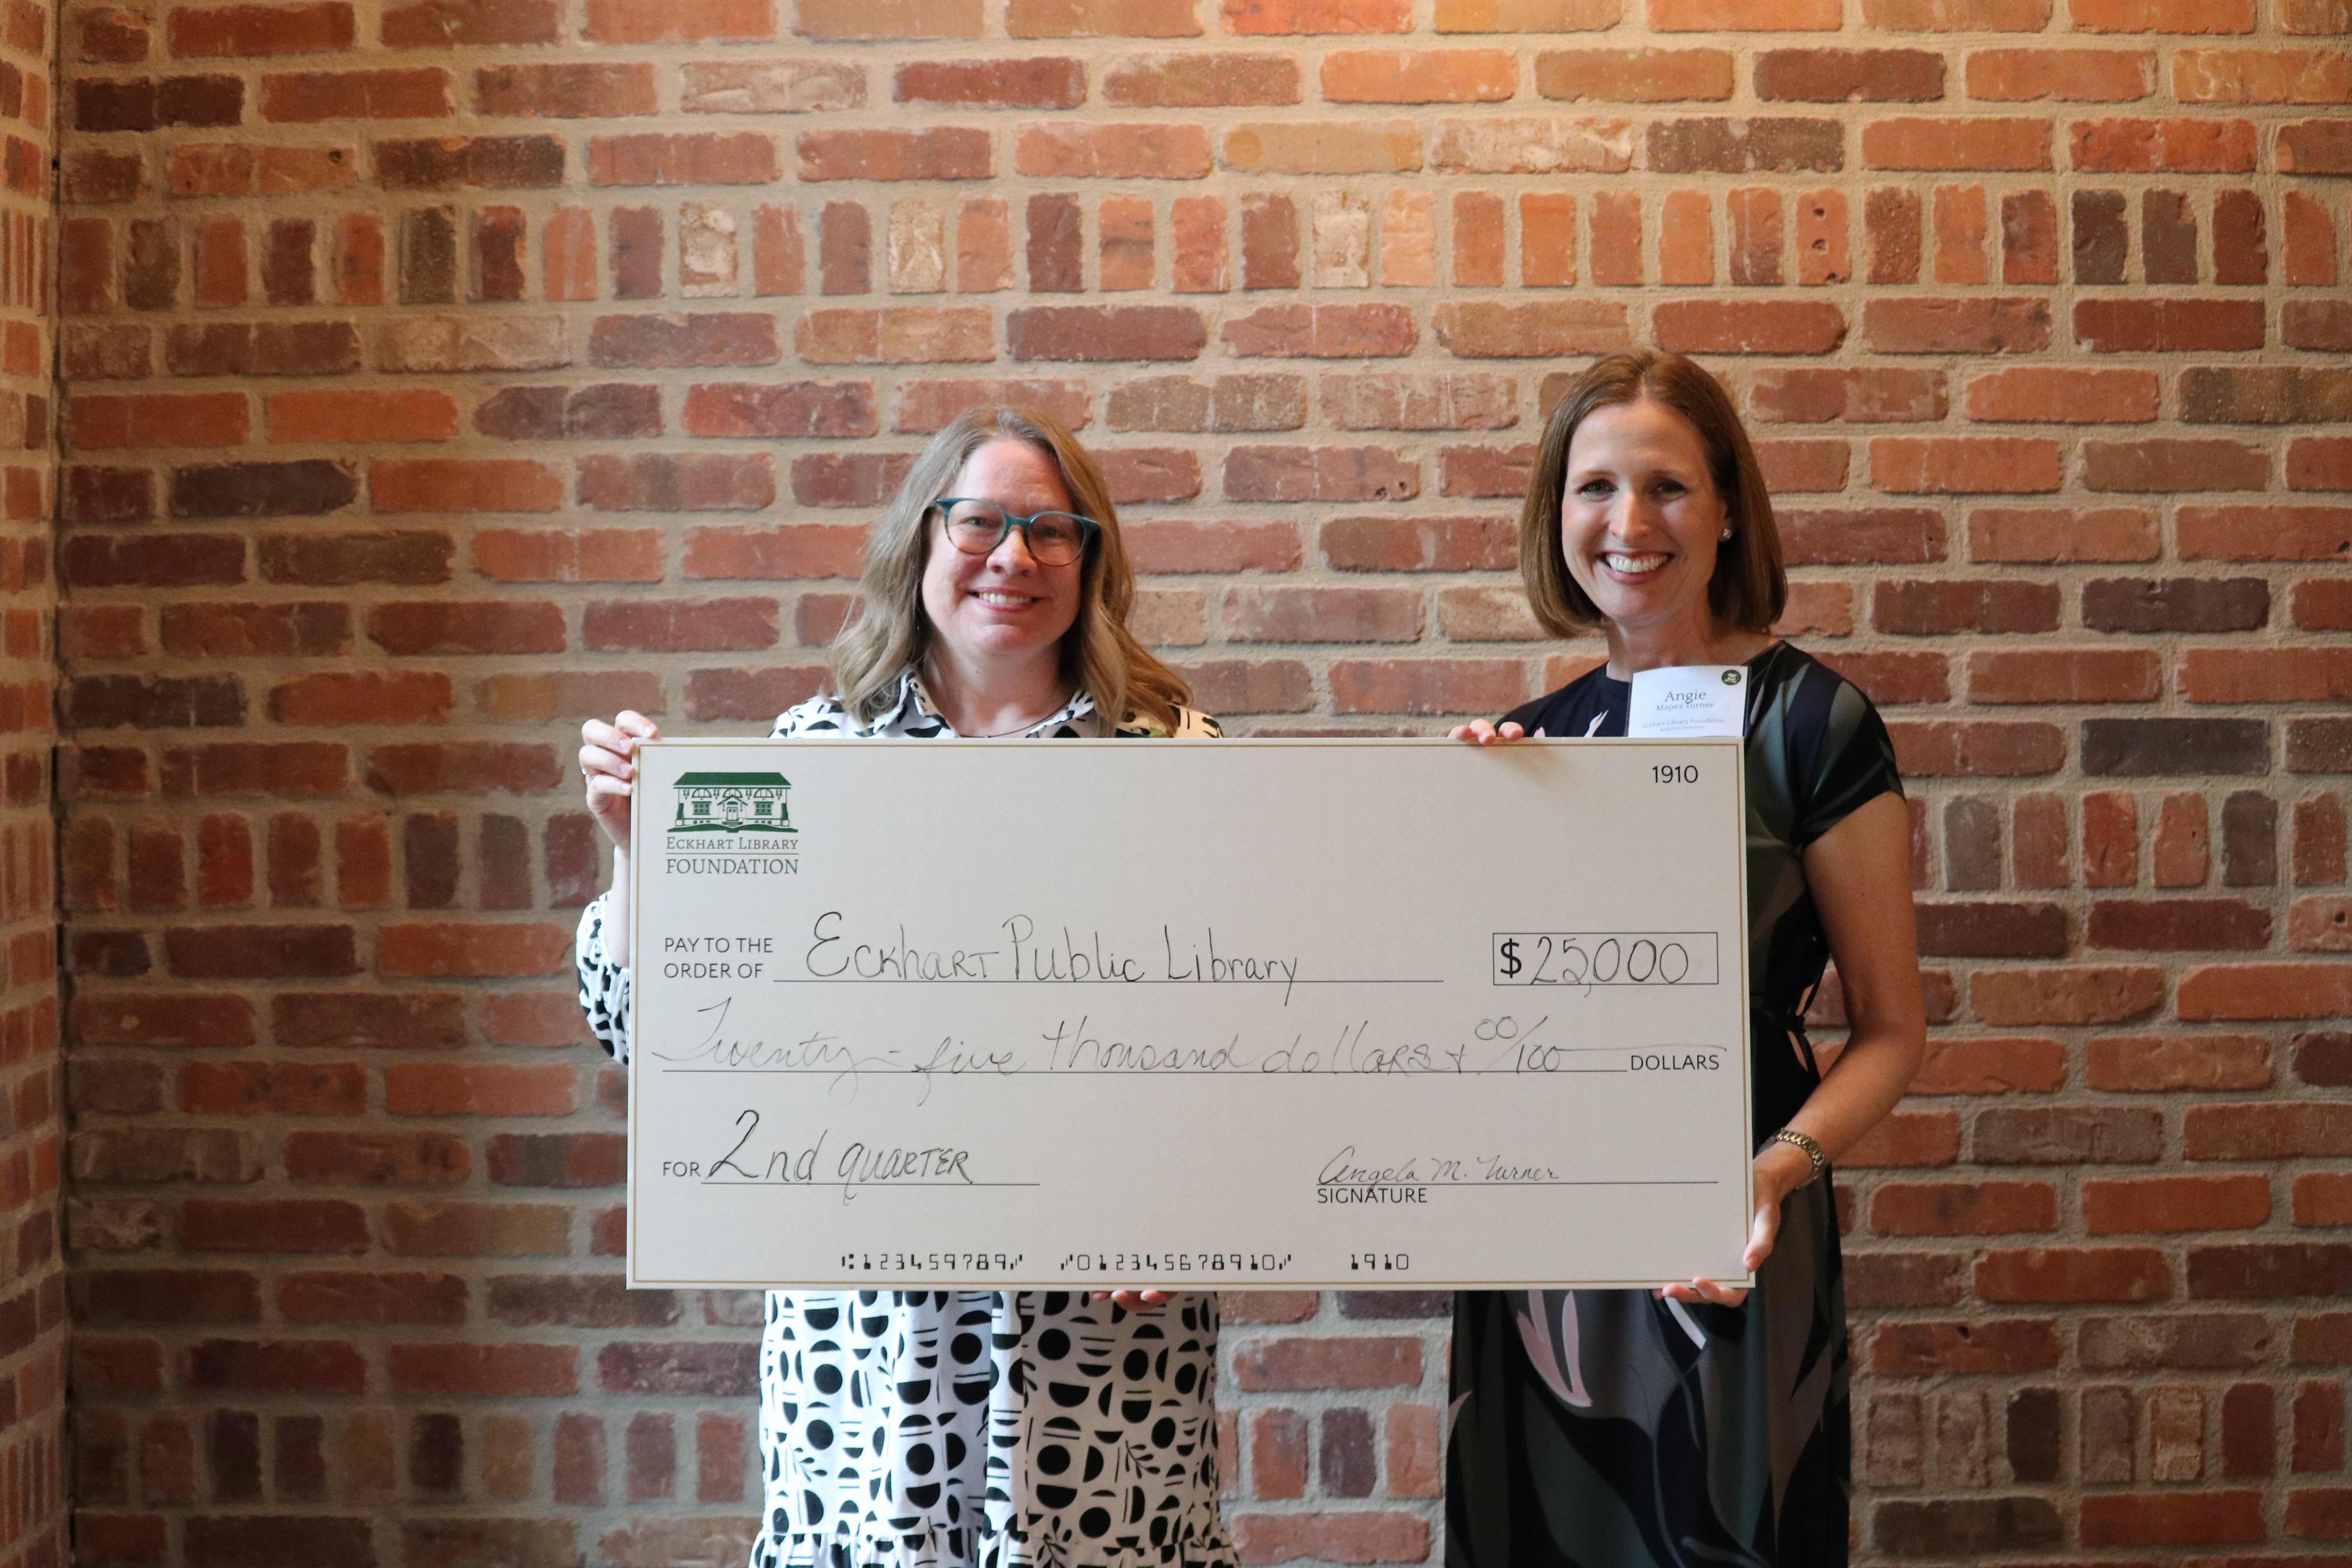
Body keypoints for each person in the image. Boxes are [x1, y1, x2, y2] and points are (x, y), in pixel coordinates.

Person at [574, 406, 1233, 1568]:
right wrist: (639, 852)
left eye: (1051, 531)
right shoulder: (811, 760)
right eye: (979, 522)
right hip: (873, 1354)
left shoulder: (1180, 762)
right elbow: (650, 1034)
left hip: (1102, 1352)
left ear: (1094, 559)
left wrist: (1205, 1217)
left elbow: (1257, 1046)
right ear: (920, 544)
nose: (1013, 558)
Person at [1444, 350, 1925, 1568]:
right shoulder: (1532, 745)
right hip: (1544, 1249)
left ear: (1724, 511)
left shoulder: (1814, 724)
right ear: (1556, 515)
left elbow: (1893, 1032)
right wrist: (1451, 838)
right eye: (1594, 487)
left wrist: (1775, 1171)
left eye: (1666, 486)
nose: (1628, 522)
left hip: (1729, 1230)